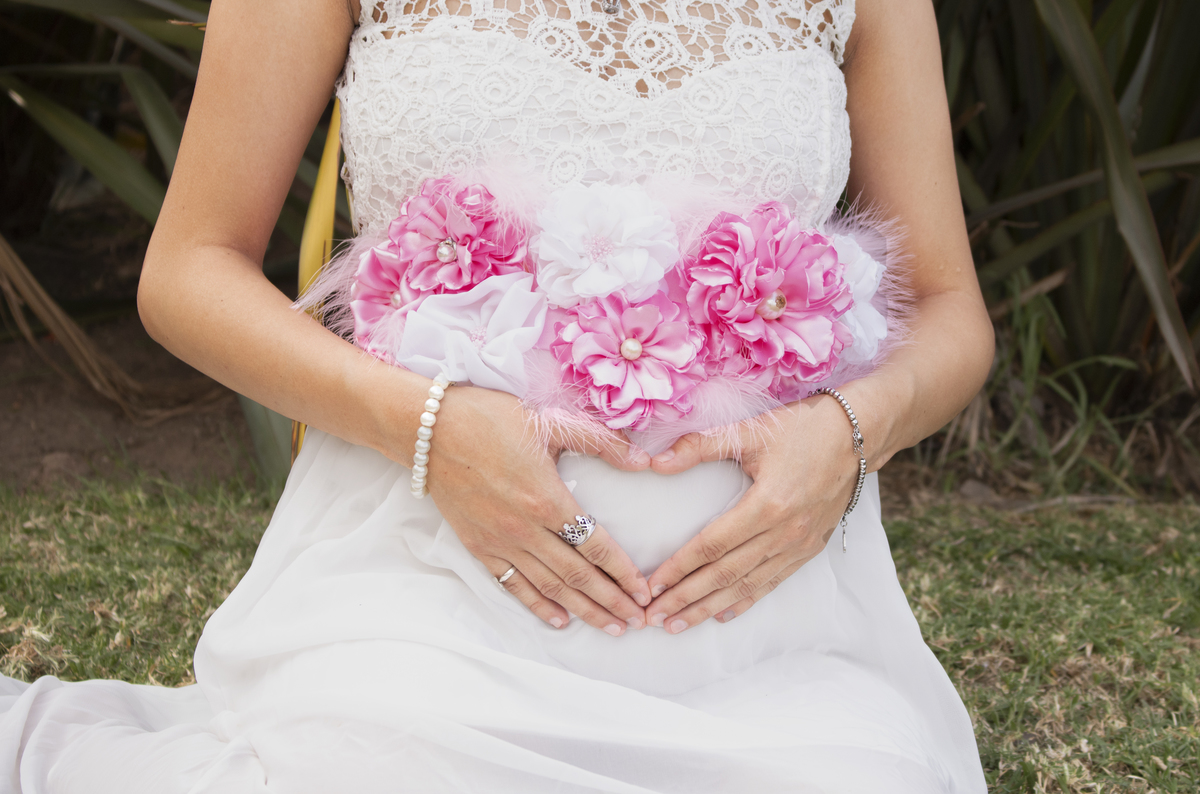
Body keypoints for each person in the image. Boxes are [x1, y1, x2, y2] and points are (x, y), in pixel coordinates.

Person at [0, 0, 996, 790]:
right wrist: (429, 427)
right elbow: (189, 269)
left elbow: (950, 309)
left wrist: (850, 432)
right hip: (419, 591)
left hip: (772, 637)